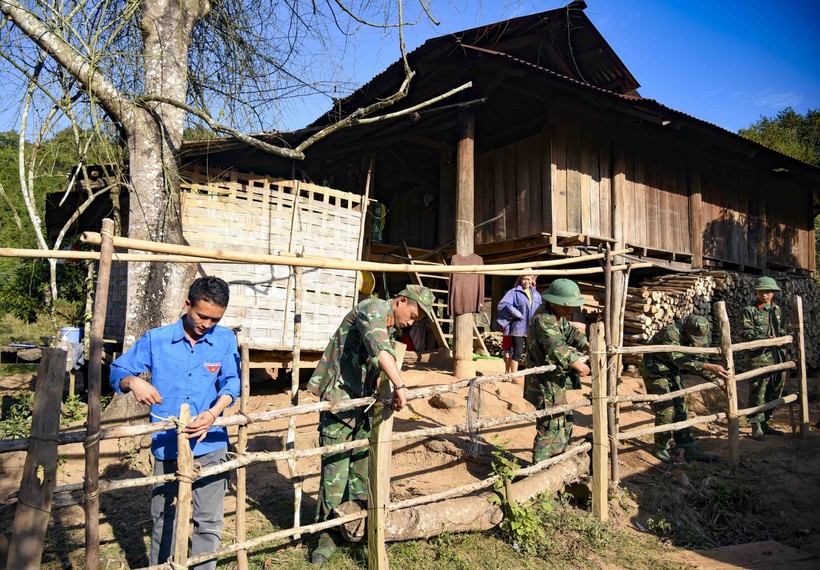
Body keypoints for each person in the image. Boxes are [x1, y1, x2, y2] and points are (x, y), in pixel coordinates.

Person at [109, 277, 240, 570]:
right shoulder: (156, 339)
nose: (207, 324)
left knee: (208, 521)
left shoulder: (225, 339)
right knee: (164, 520)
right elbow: (118, 370)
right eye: (201, 316)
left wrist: (214, 412)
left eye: (215, 319)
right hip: (167, 446)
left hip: (211, 442)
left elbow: (232, 382)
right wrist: (133, 382)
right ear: (187, 304)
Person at [307, 285, 435, 565]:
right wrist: (400, 385)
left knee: (360, 469)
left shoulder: (391, 328)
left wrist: (385, 392)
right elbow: (379, 351)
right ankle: (327, 535)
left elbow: (374, 365)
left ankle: (353, 525)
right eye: (413, 315)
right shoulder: (374, 309)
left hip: (363, 400)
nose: (411, 323)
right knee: (336, 470)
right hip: (339, 399)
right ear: (401, 301)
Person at [641, 314, 730, 463]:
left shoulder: (695, 337)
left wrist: (719, 381)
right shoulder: (671, 333)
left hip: (672, 371)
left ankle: (687, 445)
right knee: (667, 408)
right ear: (686, 330)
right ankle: (661, 446)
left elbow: (698, 363)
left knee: (681, 406)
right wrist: (709, 366)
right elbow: (679, 359)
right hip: (655, 371)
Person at [525, 278, 589, 463]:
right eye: (566, 305)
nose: (571, 309)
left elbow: (570, 333)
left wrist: (587, 345)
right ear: (554, 301)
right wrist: (579, 365)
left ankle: (557, 461)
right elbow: (557, 347)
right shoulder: (543, 319)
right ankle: (540, 467)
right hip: (544, 382)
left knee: (564, 420)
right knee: (550, 424)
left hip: (554, 382)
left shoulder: (557, 317)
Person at [741, 276, 788, 441]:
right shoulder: (750, 310)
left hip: (777, 358)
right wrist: (763, 337)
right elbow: (746, 333)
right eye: (761, 291)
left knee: (775, 389)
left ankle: (766, 421)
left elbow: (780, 330)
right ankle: (756, 425)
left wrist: (785, 336)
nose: (765, 295)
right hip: (759, 358)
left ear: (773, 293)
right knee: (758, 391)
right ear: (757, 293)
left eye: (768, 292)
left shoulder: (777, 310)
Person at [496, 274, 542, 374]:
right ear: (520, 280)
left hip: (532, 328)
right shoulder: (513, 292)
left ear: (532, 280)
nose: (526, 282)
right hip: (518, 327)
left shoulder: (536, 294)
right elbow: (503, 304)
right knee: (518, 351)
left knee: (532, 352)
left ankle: (531, 375)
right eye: (524, 279)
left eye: (528, 279)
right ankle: (514, 375)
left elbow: (540, 310)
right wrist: (515, 313)